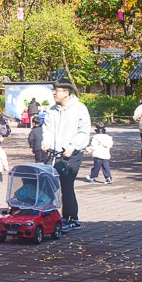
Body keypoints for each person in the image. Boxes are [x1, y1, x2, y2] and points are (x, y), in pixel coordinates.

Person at [41, 78, 91, 232]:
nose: (54, 93)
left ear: (67, 92)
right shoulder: (52, 110)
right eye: (53, 90)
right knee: (48, 184)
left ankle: (72, 218)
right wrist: (45, 142)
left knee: (66, 185)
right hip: (54, 154)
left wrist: (73, 146)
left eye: (57, 90)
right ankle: (52, 216)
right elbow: (47, 129)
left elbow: (84, 132)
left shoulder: (80, 109)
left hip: (72, 154)